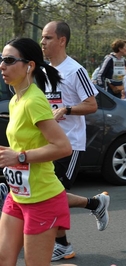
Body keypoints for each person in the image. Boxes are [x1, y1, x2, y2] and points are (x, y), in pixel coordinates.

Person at [41, 21, 110, 262]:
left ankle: (64, 243)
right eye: (42, 37)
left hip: (69, 144)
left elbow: (92, 105)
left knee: (53, 194)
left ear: (62, 41)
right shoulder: (43, 70)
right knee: (50, 193)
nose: (43, 42)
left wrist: (67, 109)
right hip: (47, 142)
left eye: (48, 37)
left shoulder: (75, 70)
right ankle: (93, 205)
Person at [0, 37, 72, 266]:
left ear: (29, 65)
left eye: (10, 60)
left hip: (43, 199)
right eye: (1, 59)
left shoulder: (34, 101)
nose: (2, 65)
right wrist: (10, 153)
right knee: (4, 259)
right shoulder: (15, 100)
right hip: (17, 195)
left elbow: (63, 147)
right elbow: (27, 142)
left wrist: (20, 156)